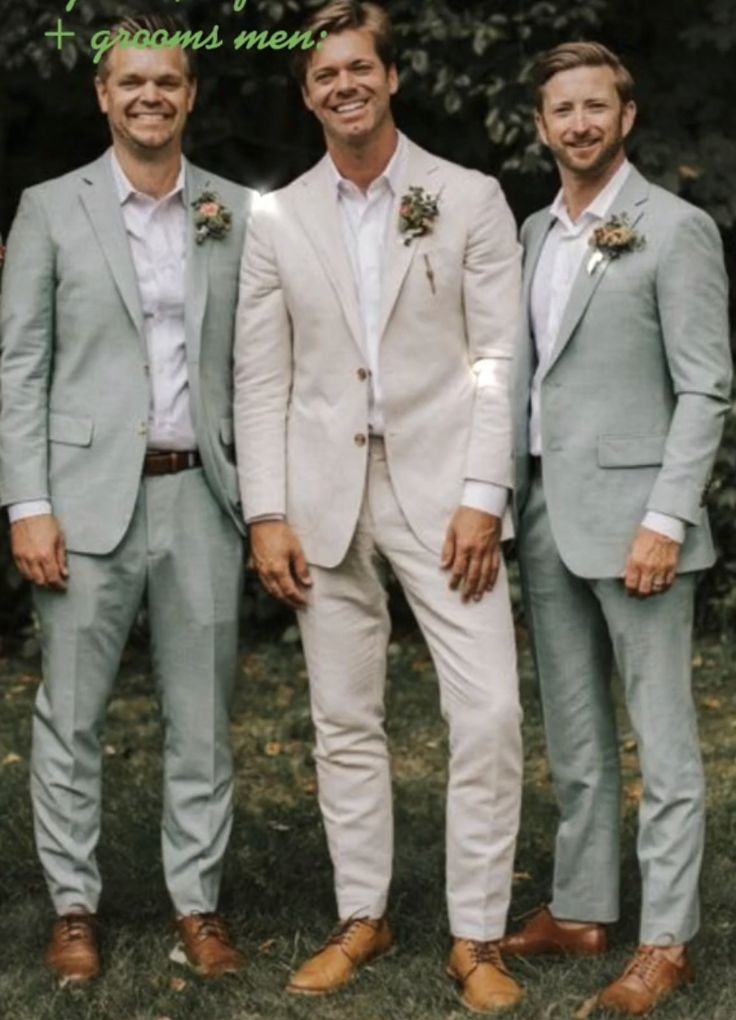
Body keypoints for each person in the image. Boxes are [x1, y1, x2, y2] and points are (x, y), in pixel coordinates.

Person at [234, 1, 524, 1012]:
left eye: (359, 67)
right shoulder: (279, 217)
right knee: (342, 720)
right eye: (323, 75)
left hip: (447, 503)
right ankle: (363, 914)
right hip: (321, 502)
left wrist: (484, 496)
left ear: (391, 77)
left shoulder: (467, 196)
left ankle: (477, 936)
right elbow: (261, 375)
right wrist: (265, 511)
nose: (342, 86)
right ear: (306, 93)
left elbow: (496, 358)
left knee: (486, 712)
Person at [0, 14, 254, 984]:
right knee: (71, 716)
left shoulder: (233, 209)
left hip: (201, 497)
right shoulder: (49, 208)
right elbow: (21, 365)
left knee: (202, 714)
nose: (151, 97)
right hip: (81, 499)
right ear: (101, 96)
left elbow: (258, 361)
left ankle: (197, 903)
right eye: (130, 83)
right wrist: (27, 501)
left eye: (169, 83)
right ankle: (73, 906)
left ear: (191, 97)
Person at [502, 41, 731, 1016]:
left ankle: (666, 939)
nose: (580, 124)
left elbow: (706, 385)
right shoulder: (530, 233)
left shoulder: (673, 229)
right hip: (548, 509)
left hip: (642, 525)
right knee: (578, 736)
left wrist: (663, 519)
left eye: (597, 106)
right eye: (564, 110)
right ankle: (584, 908)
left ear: (625, 118)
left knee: (664, 744)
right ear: (542, 126)